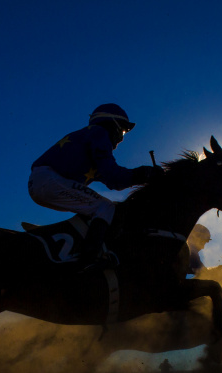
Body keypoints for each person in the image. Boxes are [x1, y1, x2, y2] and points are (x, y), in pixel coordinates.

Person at [29, 103, 164, 271]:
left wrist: (142, 176)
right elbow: (113, 175)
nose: (121, 138)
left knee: (96, 209)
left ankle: (73, 249)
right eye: (122, 131)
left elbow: (114, 181)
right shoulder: (100, 133)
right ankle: (89, 260)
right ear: (112, 124)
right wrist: (144, 173)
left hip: (44, 181)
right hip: (49, 180)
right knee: (105, 207)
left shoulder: (89, 142)